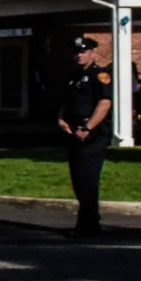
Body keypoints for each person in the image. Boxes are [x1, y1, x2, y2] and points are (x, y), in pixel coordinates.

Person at [57, 36, 113, 239]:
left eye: (83, 51)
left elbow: (104, 104)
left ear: (92, 53)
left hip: (92, 136)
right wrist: (61, 119)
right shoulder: (75, 76)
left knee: (87, 182)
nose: (79, 55)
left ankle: (88, 225)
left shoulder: (100, 75)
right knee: (78, 182)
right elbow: (68, 101)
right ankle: (88, 223)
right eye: (76, 52)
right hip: (73, 133)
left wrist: (88, 128)